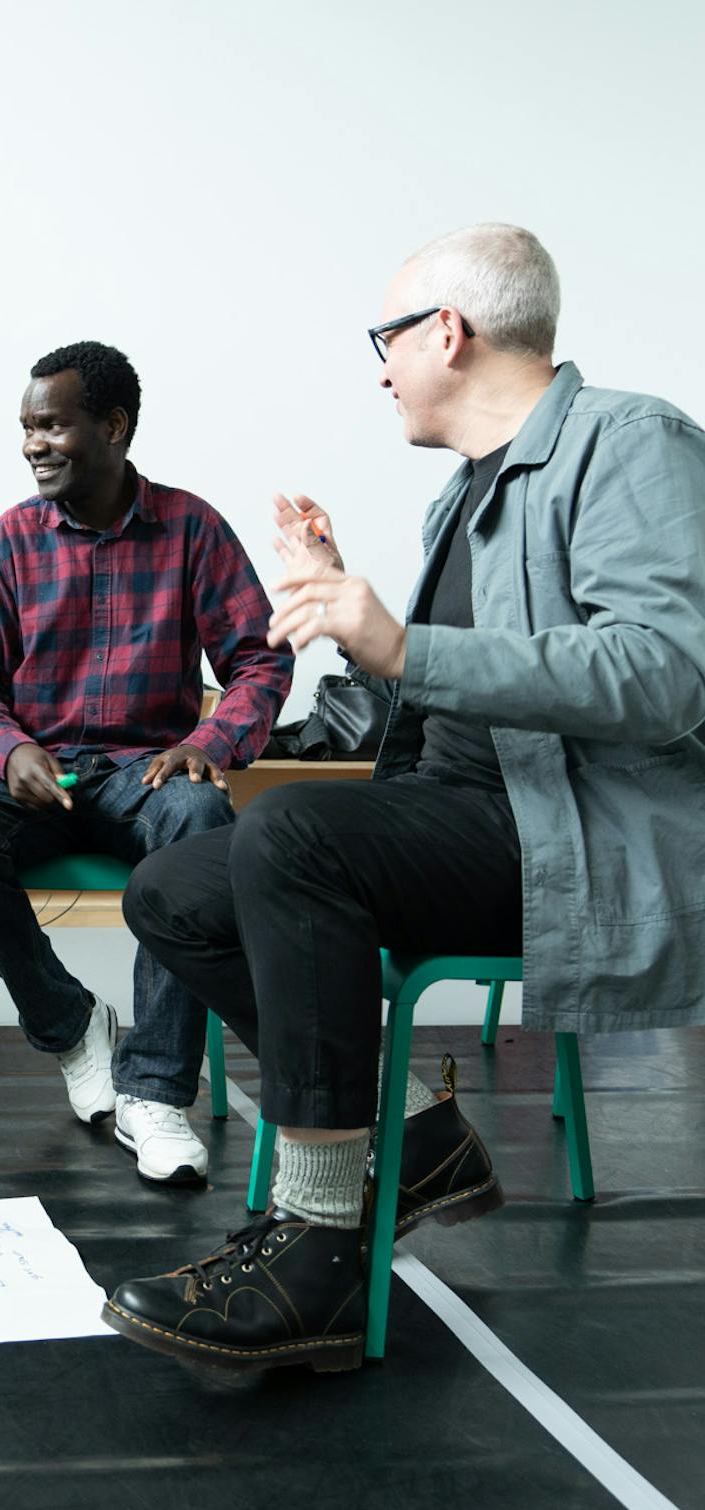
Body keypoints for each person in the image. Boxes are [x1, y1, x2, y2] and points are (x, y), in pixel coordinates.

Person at [104, 223, 705, 1373]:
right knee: (174, 887)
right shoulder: (463, 499)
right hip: (467, 815)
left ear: (448, 331)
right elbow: (437, 694)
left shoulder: (635, 443)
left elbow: (665, 670)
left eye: (387, 339)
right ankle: (408, 1142)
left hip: (569, 843)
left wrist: (402, 642)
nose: (379, 369)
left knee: (287, 834)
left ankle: (321, 1244)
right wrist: (347, 620)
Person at [0, 342, 292, 1185]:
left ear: (114, 427)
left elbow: (261, 662)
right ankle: (70, 1023)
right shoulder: (8, 542)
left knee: (201, 823)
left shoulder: (193, 528)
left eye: (52, 424)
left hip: (145, 774)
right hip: (38, 772)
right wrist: (8, 748)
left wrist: (209, 745)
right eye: (26, 427)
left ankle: (155, 1091)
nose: (32, 444)